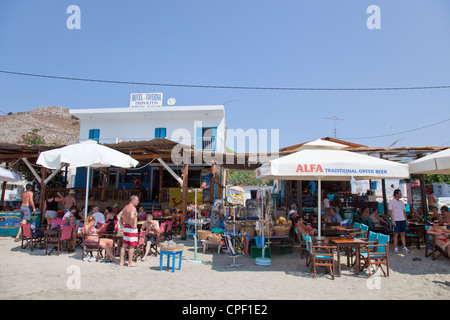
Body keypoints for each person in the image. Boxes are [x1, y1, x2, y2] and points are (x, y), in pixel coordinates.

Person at [117, 195, 139, 267]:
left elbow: (118, 216)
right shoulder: (133, 208)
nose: (138, 202)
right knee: (132, 245)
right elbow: (132, 216)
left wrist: (121, 225)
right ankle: (130, 262)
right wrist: (133, 224)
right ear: (133, 201)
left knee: (124, 245)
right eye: (137, 201)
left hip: (126, 227)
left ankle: (121, 261)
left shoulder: (125, 207)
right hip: (131, 228)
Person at [389, 189, 409, 254]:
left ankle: (404, 246)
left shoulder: (401, 202)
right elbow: (390, 211)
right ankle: (396, 247)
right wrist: (392, 220)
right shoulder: (391, 202)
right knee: (396, 234)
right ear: (396, 194)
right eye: (400, 193)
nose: (401, 195)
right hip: (396, 220)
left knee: (403, 233)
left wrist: (406, 220)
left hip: (402, 219)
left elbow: (404, 211)